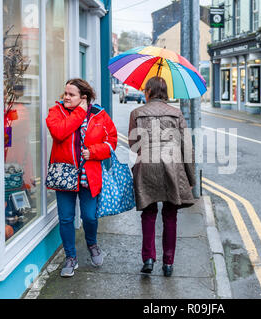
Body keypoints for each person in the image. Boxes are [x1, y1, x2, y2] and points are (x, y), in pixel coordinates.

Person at [46, 78, 117, 277]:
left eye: (71, 94)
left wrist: (93, 152)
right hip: (64, 175)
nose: (66, 97)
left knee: (89, 216)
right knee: (66, 218)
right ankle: (70, 257)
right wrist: (79, 111)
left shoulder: (99, 115)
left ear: (83, 97)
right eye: (65, 93)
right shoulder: (55, 112)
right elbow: (59, 133)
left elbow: (111, 141)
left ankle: (92, 244)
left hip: (89, 175)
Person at [128, 76, 196, 277]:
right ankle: (168, 263)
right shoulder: (176, 113)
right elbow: (187, 148)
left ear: (148, 91)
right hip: (172, 167)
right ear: (165, 92)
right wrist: (191, 180)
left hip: (146, 165)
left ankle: (148, 258)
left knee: (148, 213)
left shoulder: (137, 113)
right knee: (170, 215)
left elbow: (133, 145)